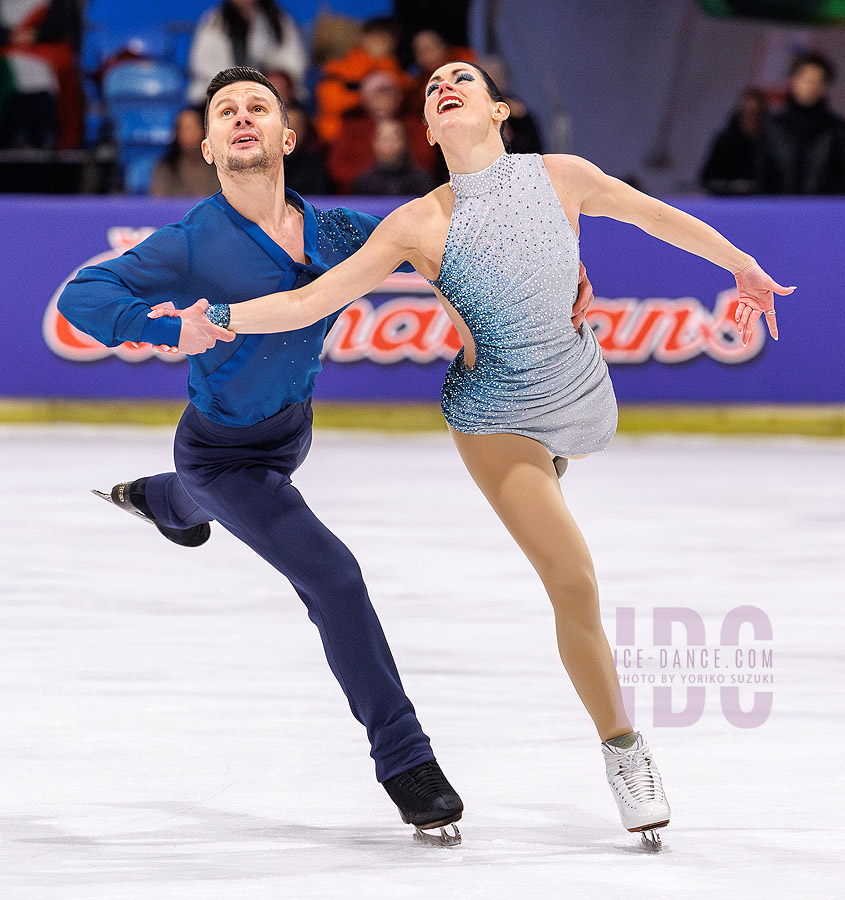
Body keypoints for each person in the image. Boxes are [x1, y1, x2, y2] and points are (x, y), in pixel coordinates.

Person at [159, 61, 795, 849]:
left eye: (461, 78)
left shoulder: (561, 176)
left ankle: (177, 496)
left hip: (582, 393)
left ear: (500, 109)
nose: (443, 86)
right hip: (495, 415)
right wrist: (218, 313)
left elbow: (652, 216)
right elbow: (308, 299)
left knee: (573, 481)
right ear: (428, 130)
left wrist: (739, 264)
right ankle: (624, 751)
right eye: (431, 89)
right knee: (573, 578)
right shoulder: (417, 224)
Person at [57, 66, 472, 846]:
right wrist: (163, 327)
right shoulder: (192, 241)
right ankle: (406, 763)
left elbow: (435, 249)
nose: (241, 117)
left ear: (287, 136)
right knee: (333, 577)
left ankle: (160, 501)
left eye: (258, 108)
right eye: (225, 111)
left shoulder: (339, 232)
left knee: (195, 502)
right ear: (209, 146)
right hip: (221, 453)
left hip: (289, 431)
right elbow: (82, 295)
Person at [326, 69, 436, 193]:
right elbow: (338, 168)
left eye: (390, 93)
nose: (384, 99)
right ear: (365, 98)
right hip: (361, 193)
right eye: (378, 94)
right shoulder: (352, 128)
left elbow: (427, 160)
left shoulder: (415, 124)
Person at [186, 1, 308, 107]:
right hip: (222, 91)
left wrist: (277, 79)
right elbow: (202, 66)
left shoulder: (279, 21)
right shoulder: (213, 22)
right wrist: (236, 85)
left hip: (266, 92)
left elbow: (293, 64)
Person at [756, 51, 845, 195]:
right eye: (805, 79)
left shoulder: (837, 130)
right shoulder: (773, 127)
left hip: (824, 212)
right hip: (777, 210)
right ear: (793, 81)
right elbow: (762, 176)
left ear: (825, 87)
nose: (809, 86)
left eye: (816, 82)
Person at [700, 88, 767, 195]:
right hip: (728, 200)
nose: (751, 116)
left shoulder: (771, 141)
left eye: (756, 113)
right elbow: (708, 178)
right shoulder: (725, 140)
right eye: (748, 111)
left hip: (763, 201)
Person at [352, 118, 435, 196]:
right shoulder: (364, 183)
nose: (389, 144)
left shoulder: (421, 180)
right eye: (384, 139)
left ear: (404, 142)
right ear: (374, 143)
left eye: (393, 138)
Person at [149, 108, 221, 198]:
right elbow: (158, 204)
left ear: (203, 130)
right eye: (185, 129)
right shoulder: (165, 167)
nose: (190, 134)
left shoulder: (218, 166)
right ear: (176, 133)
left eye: (193, 128)